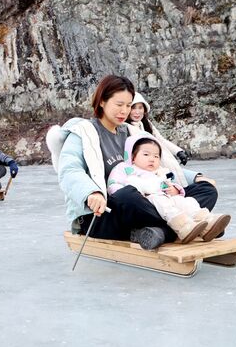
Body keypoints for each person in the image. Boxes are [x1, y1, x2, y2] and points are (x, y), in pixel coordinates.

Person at [46, 75, 219, 251]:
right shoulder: (82, 133)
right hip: (105, 213)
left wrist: (196, 178)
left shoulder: (130, 133)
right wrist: (92, 193)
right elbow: (69, 170)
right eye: (119, 104)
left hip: (149, 201)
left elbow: (154, 164)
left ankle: (163, 230)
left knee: (207, 190)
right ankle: (187, 226)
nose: (124, 111)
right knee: (127, 195)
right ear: (102, 102)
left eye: (128, 105)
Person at [107, 135, 230, 243]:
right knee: (164, 206)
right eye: (146, 155)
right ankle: (183, 227)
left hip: (168, 198)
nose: (152, 159)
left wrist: (175, 189)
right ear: (133, 157)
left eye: (156, 156)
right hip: (146, 203)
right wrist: (135, 195)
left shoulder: (160, 171)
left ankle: (207, 224)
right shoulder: (124, 168)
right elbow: (114, 184)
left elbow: (168, 183)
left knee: (187, 202)